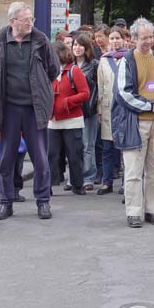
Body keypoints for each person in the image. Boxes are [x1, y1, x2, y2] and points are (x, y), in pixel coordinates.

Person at [0, 2, 60, 221]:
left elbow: (53, 70)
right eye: (26, 19)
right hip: (8, 107)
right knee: (6, 157)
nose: (30, 23)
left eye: (31, 19)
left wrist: (39, 91)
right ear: (12, 22)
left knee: (40, 157)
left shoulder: (40, 40)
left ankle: (43, 201)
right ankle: (6, 201)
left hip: (34, 108)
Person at [112, 17, 154, 228]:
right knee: (133, 170)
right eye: (144, 37)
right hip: (135, 122)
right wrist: (149, 106)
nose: (149, 41)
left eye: (151, 37)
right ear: (133, 38)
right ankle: (133, 212)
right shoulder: (127, 61)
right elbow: (123, 93)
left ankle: (152, 209)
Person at [48, 41, 90, 195]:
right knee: (51, 154)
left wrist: (67, 102)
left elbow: (85, 93)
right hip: (52, 120)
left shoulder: (74, 71)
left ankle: (78, 185)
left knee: (74, 154)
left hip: (72, 120)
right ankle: (50, 184)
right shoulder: (48, 71)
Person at [96, 26, 127, 195]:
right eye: (112, 38)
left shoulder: (129, 58)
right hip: (108, 108)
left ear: (124, 39)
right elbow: (100, 85)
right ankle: (106, 182)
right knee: (107, 147)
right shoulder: (103, 60)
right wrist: (100, 108)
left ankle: (125, 182)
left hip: (124, 108)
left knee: (125, 148)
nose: (115, 41)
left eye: (118, 38)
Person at [72, 32, 100, 190]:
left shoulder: (95, 64)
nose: (77, 48)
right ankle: (75, 177)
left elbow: (99, 87)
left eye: (80, 45)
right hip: (73, 110)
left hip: (89, 109)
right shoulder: (70, 65)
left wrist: (98, 106)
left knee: (88, 144)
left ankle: (88, 176)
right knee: (73, 145)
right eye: (75, 45)